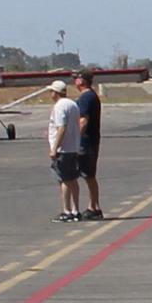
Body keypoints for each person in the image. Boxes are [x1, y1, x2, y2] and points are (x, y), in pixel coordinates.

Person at [46, 79, 83, 222]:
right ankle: (76, 210)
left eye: (51, 91)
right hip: (73, 147)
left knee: (64, 180)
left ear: (55, 93)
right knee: (73, 179)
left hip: (64, 149)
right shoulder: (72, 104)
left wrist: (54, 148)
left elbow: (62, 127)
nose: (50, 94)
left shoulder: (60, 107)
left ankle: (66, 211)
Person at [74, 70, 104, 220]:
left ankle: (94, 206)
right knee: (89, 175)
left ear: (82, 81)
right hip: (91, 140)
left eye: (76, 78)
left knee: (88, 175)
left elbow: (83, 120)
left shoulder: (86, 97)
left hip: (86, 141)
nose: (74, 81)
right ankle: (93, 206)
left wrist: (75, 138)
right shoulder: (90, 95)